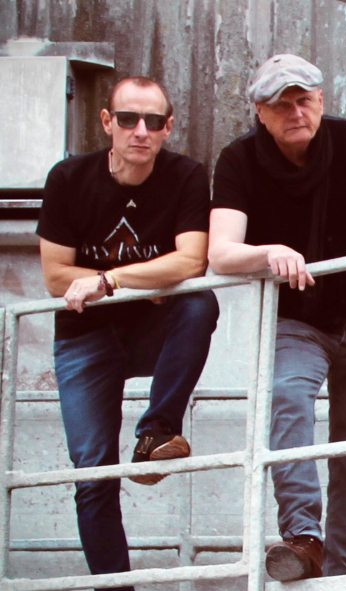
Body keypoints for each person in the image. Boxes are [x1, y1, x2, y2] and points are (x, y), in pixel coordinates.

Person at [208, 53, 346, 582]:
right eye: (281, 104)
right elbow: (221, 252)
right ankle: (303, 538)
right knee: (287, 398)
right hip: (298, 321)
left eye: (304, 100)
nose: (295, 112)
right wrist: (269, 251)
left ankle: (344, 573)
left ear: (321, 100)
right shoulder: (239, 159)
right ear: (260, 112)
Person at [37, 76, 219, 590]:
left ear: (168, 128)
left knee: (198, 303)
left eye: (153, 121)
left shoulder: (186, 175)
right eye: (128, 119)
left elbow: (192, 261)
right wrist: (147, 280)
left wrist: (109, 281)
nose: (141, 131)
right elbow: (55, 276)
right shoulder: (69, 178)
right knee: (92, 471)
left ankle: (157, 430)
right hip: (85, 336)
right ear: (107, 123)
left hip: (153, 330)